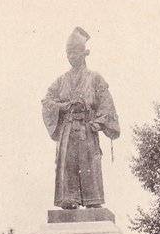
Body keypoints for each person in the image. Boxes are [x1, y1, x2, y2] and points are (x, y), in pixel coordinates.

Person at [42, 27, 120, 209]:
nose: (71, 56)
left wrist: (98, 123)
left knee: (89, 164)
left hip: (87, 129)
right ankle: (70, 199)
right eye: (68, 52)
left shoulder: (95, 78)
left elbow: (106, 104)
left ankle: (93, 200)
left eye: (75, 52)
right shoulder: (61, 80)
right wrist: (63, 106)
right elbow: (47, 101)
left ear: (84, 53)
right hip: (68, 131)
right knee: (68, 165)